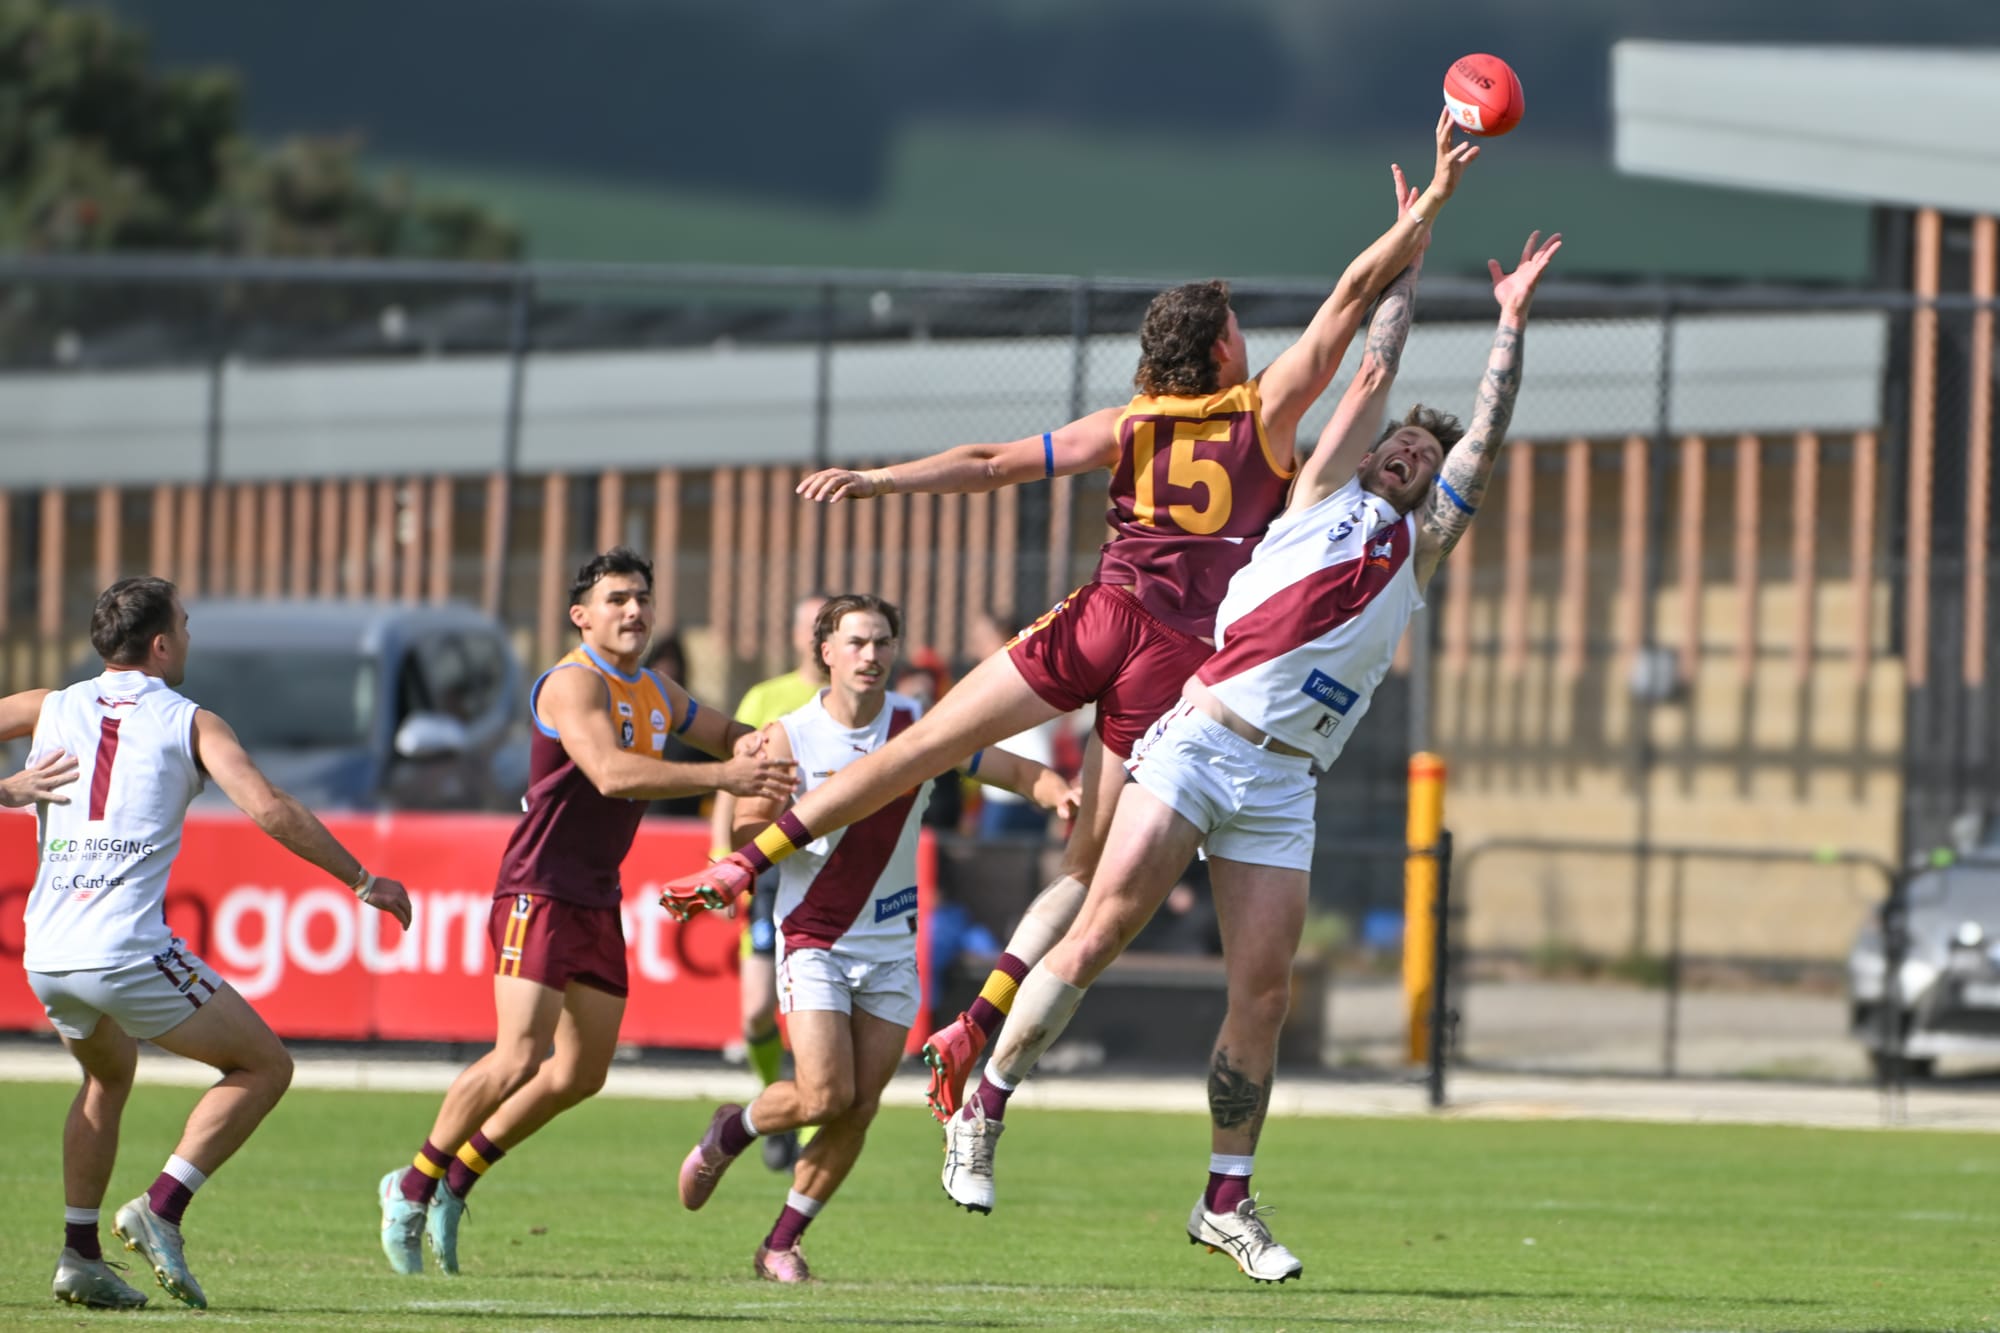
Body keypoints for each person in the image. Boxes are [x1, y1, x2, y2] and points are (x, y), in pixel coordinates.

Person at [659, 117, 1483, 1130]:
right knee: (1086, 876)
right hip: (1176, 666)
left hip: (1097, 618)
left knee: (919, 746)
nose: (1246, 337)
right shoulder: (1264, 411)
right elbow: (1353, 306)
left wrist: (880, 479)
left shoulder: (1129, 423)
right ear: (1221, 349)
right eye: (1235, 328)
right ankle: (983, 1021)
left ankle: (744, 862)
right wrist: (1424, 214)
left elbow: (990, 463)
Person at [941, 229, 1564, 1283]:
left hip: (1283, 782)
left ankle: (1224, 1198)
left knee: (1263, 995)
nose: (1409, 457)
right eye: (1400, 445)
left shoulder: (1416, 550)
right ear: (1366, 453)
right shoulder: (1316, 492)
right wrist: (1410, 254)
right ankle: (984, 1106)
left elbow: (1486, 438)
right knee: (1101, 927)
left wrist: (1509, 321)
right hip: (1203, 738)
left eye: (1423, 459)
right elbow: (1375, 359)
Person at [376, 548, 795, 1277]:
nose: (634, 610)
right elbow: (611, 773)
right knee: (518, 1056)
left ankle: (459, 1177)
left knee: (580, 1073)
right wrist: (729, 775)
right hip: (536, 889)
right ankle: (410, 1186)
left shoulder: (657, 690)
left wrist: (778, 745)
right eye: (617, 599)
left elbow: (732, 734)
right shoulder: (573, 682)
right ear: (582, 616)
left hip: (598, 895)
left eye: (643, 598)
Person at [10, 576, 414, 1310]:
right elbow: (270, 807)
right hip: (124, 949)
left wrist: (7, 790)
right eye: (186, 626)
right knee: (265, 1065)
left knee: (106, 1077)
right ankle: (161, 1208)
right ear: (162, 644)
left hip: (47, 952)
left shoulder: (48, 704)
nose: (190, 637)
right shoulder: (189, 720)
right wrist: (362, 879)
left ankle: (79, 1254)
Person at [670, 594, 1077, 1283]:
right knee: (822, 1095)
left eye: (883, 641)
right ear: (825, 652)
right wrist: (777, 813)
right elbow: (747, 830)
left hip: (891, 944)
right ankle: (732, 1129)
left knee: (859, 1108)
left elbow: (1011, 770)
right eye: (856, 642)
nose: (871, 654)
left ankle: (781, 1244)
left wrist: (1055, 791)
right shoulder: (789, 736)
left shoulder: (922, 725)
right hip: (814, 937)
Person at [711, 591, 829, 1171]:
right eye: (810, 625)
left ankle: (807, 1128)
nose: (817, 637)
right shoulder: (766, 698)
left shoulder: (858, 703)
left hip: (832, 870)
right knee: (758, 1010)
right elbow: (731, 783)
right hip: (773, 867)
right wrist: (723, 859)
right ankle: (774, 1097)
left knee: (825, 1014)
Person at [641, 632, 707, 818]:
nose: (667, 667)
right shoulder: (632, 715)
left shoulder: (696, 719)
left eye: (672, 660)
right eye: (661, 659)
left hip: (684, 820)